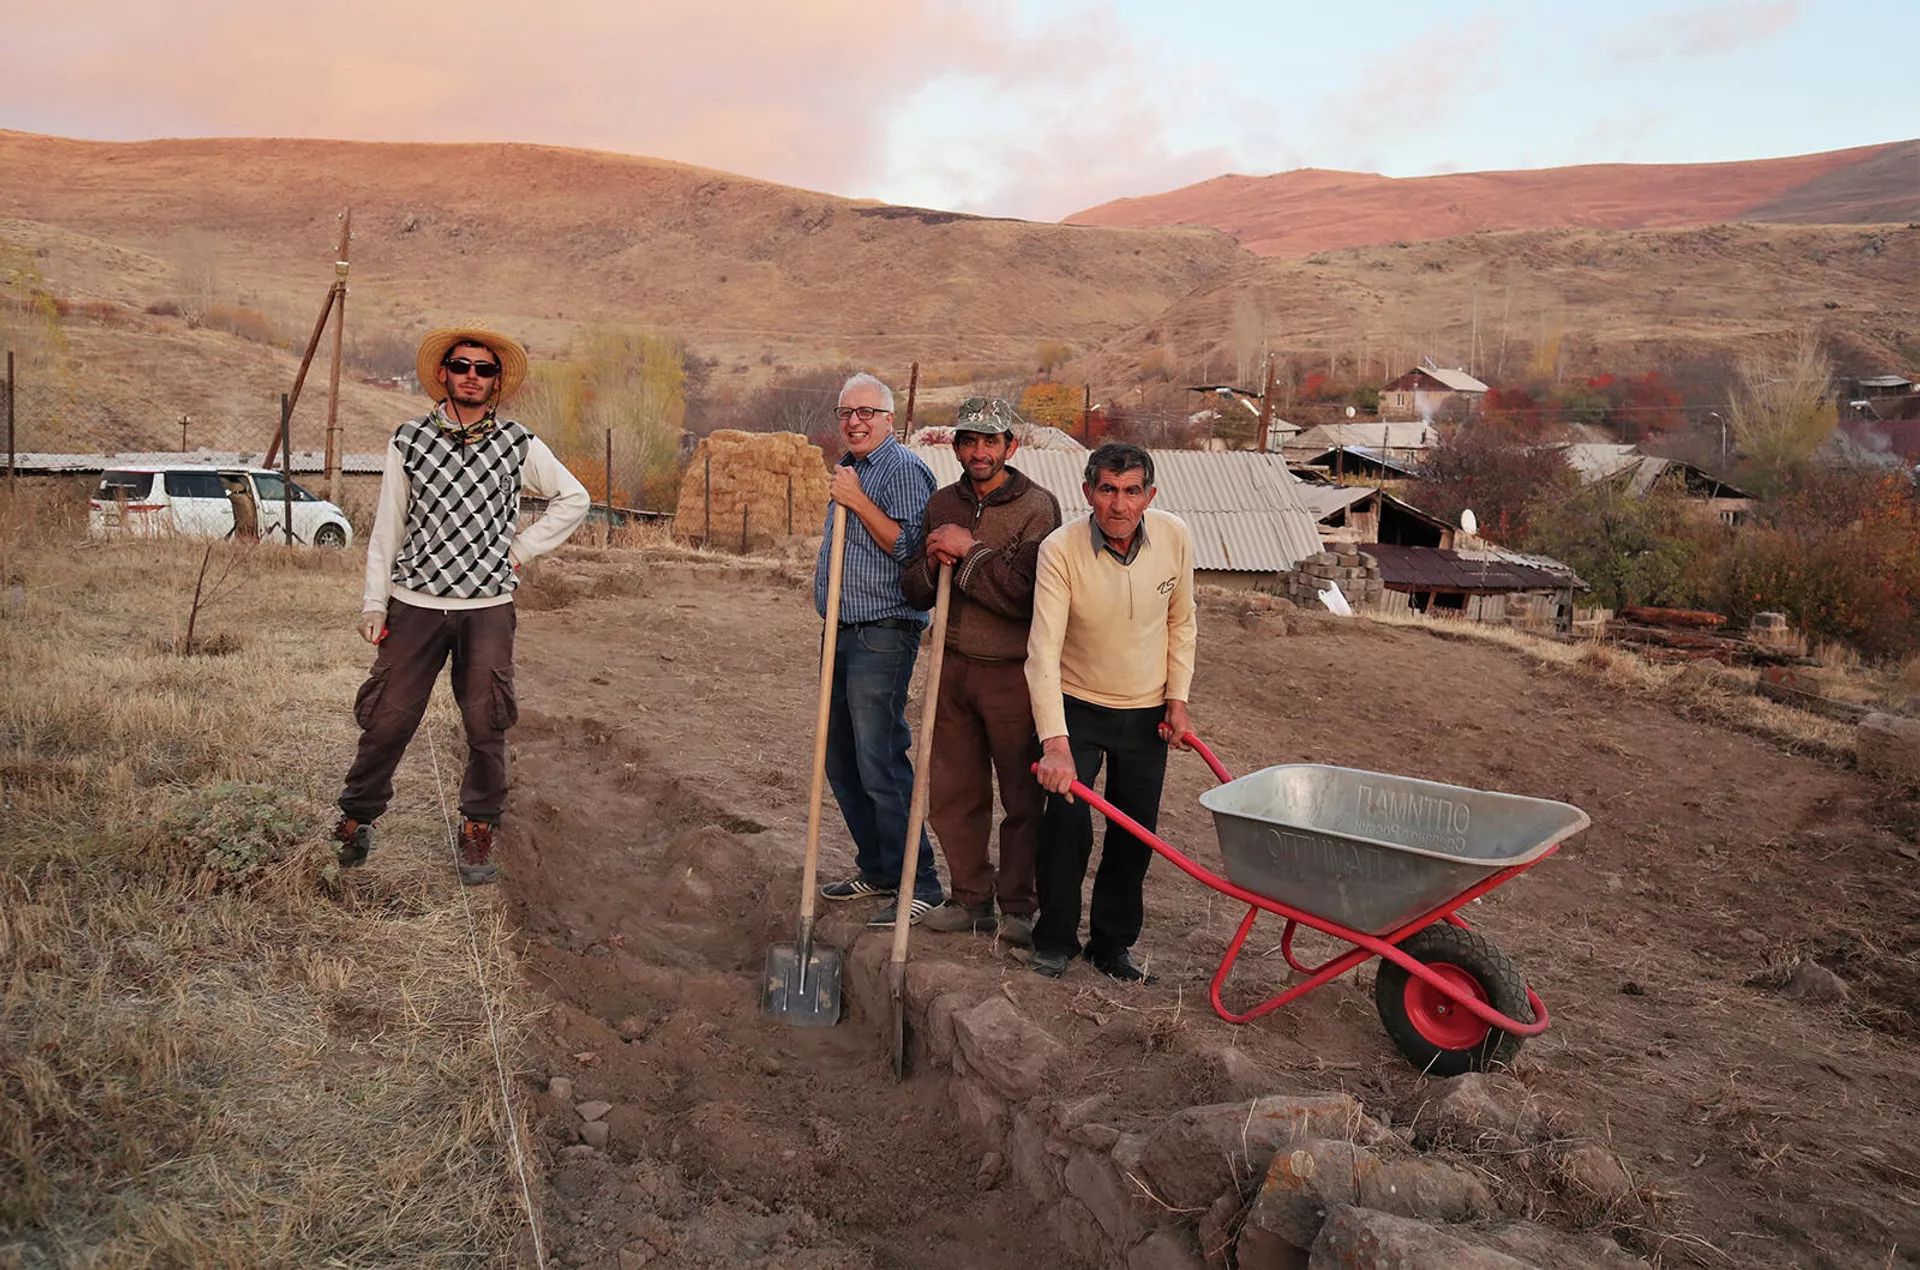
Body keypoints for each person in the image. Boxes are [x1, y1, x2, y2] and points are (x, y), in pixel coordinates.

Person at [332, 324, 590, 885]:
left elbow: (575, 498)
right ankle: (357, 817)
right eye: (462, 366)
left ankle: (478, 829)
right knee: (387, 718)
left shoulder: (518, 443)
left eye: (485, 369)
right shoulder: (409, 440)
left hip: (488, 607)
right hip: (413, 603)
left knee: (486, 722)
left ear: (496, 382)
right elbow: (387, 526)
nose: (473, 376)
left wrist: (516, 551)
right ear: (444, 373)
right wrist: (374, 602)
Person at [1026, 442, 1197, 981]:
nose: (1119, 505)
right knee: (1067, 824)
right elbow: (1042, 651)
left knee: (1135, 830)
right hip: (1077, 706)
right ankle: (1054, 939)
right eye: (1107, 490)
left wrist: (1179, 699)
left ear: (1149, 495)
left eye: (1131, 492)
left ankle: (1111, 944)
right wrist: (1055, 743)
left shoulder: (1174, 537)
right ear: (1087, 493)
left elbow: (1181, 621)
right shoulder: (1060, 549)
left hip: (1147, 711)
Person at [902, 398, 1060, 945]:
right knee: (954, 791)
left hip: (1011, 674)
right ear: (956, 446)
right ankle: (970, 897)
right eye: (969, 441)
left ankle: (1018, 907)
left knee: (1022, 795)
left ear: (1009, 447)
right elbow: (914, 590)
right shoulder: (941, 502)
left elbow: (1024, 596)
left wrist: (969, 553)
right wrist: (930, 562)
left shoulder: (1039, 508)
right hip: (950, 666)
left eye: (990, 441)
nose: (979, 451)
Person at [814, 372, 945, 926]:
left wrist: (857, 501)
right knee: (840, 757)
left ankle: (922, 882)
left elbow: (915, 548)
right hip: (842, 630)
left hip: (883, 633)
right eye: (846, 412)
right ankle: (880, 867)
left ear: (889, 419)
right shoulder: (854, 469)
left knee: (878, 757)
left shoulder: (902, 469)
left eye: (866, 412)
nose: (855, 421)